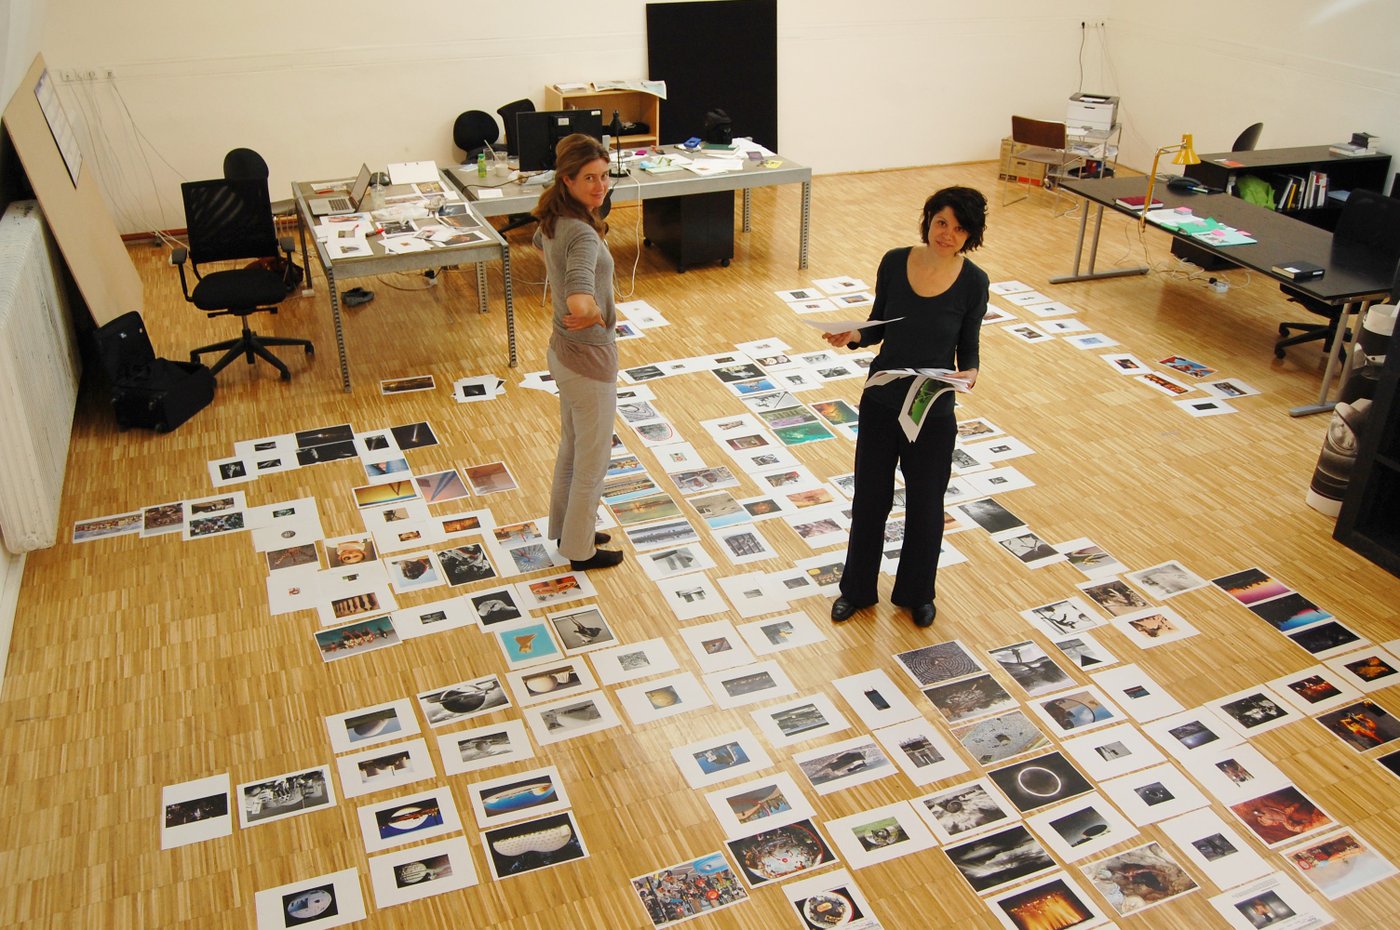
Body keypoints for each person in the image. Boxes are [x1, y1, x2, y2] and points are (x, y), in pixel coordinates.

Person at [824, 186, 988, 628]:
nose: (947, 234)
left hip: (931, 410)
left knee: (927, 504)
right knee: (870, 501)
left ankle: (917, 593)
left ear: (970, 234)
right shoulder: (895, 261)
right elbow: (878, 324)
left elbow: (968, 348)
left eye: (958, 228)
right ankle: (856, 591)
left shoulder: (974, 282)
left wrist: (970, 374)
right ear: (928, 220)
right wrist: (853, 335)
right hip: (882, 399)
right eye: (941, 222)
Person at [533, 133, 624, 570]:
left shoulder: (555, 219)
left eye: (605, 176)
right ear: (567, 180)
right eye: (589, 178)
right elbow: (579, 294)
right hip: (588, 361)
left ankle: (569, 529)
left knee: (572, 446)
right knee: (592, 460)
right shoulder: (583, 235)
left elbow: (539, 243)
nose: (600, 186)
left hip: (562, 355)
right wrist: (594, 312)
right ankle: (580, 550)